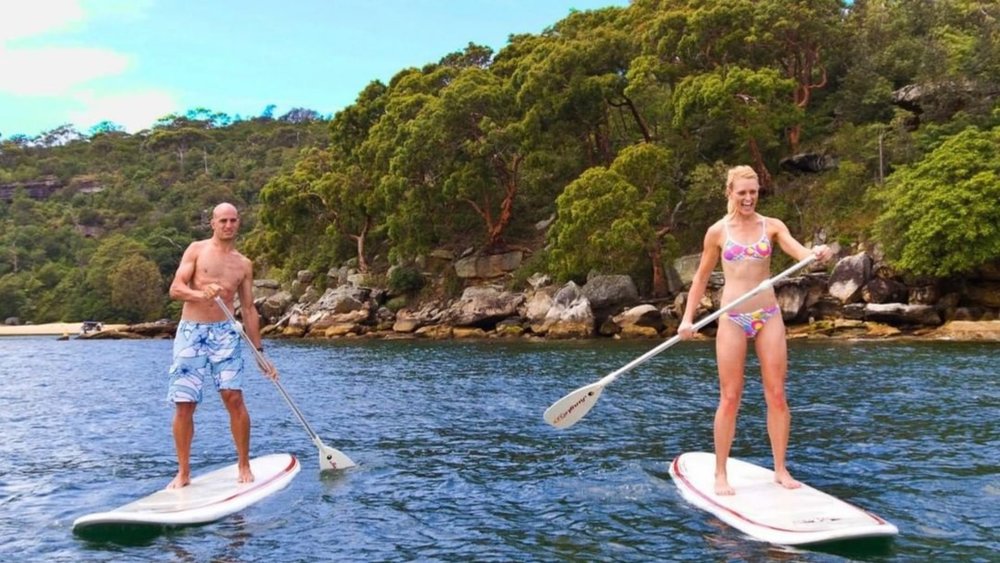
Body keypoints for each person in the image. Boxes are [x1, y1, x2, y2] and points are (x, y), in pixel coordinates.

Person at [678, 165, 831, 496]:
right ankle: (720, 472)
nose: (748, 198)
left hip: (768, 314)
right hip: (732, 317)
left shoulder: (772, 226)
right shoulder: (717, 232)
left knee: (776, 394)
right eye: (742, 192)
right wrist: (687, 319)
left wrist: (815, 254)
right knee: (730, 397)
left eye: (754, 191)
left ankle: (779, 468)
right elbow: (701, 279)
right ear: (730, 192)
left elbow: (799, 253)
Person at [166, 202, 277, 489]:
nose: (228, 225)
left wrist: (259, 352)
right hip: (191, 333)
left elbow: (249, 309)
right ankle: (184, 472)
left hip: (225, 334)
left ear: (239, 223)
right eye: (223, 220)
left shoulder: (243, 264)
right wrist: (201, 293)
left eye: (233, 220)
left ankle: (244, 464)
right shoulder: (196, 250)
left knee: (234, 397)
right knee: (184, 404)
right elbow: (176, 289)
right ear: (213, 223)